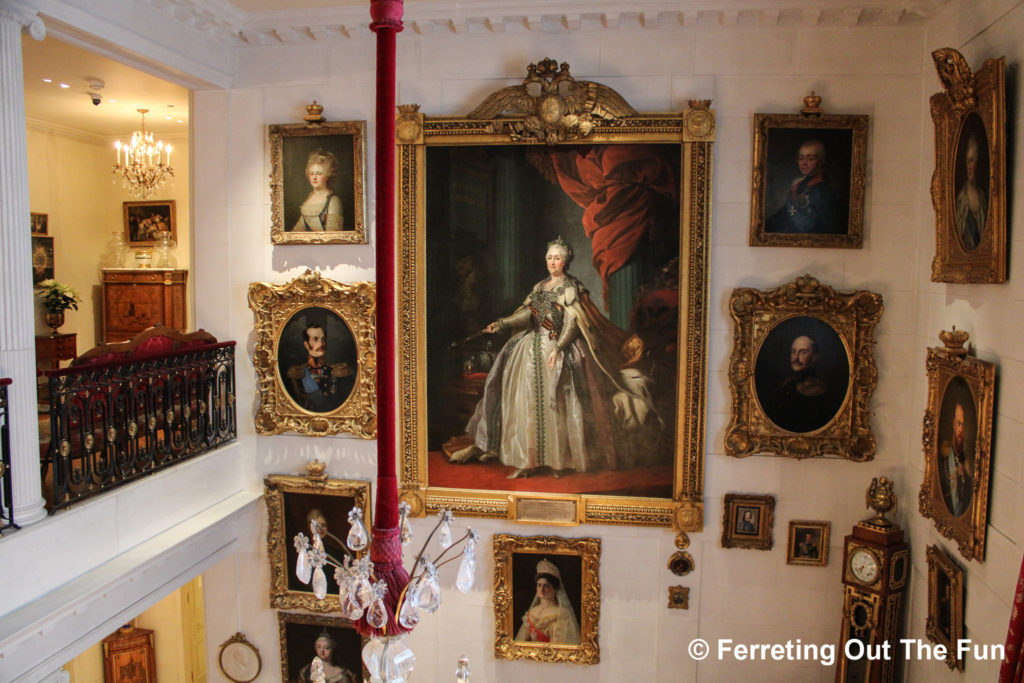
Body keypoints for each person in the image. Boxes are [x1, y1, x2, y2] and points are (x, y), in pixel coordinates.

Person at [449, 238, 656, 478]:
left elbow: (572, 322)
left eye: (557, 258)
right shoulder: (540, 287)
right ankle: (527, 461)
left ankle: (560, 462)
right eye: (549, 257)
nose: (552, 262)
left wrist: (558, 348)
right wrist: (502, 323)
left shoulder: (570, 288)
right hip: (530, 348)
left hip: (560, 347)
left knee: (558, 405)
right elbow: (529, 314)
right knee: (525, 404)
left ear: (565, 261)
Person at [761, 334, 839, 433]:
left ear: (814, 357)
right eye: (793, 352)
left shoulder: (820, 391)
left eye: (803, 352)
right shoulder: (787, 383)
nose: (795, 358)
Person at [766, 139, 842, 234]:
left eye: (810, 159)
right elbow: (786, 215)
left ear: (821, 161)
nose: (804, 163)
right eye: (801, 158)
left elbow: (830, 229)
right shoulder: (798, 186)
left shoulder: (823, 192)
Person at [286, 323, 354, 412]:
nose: (321, 343)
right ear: (306, 344)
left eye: (323, 339)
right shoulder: (297, 374)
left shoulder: (338, 372)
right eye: (315, 339)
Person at [515, 558, 581, 645]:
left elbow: (562, 645)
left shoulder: (561, 613)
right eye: (539, 585)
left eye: (546, 586)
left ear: (555, 589)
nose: (542, 590)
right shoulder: (532, 612)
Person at [292, 149, 344, 232]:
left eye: (319, 173)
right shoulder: (310, 198)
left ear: (328, 175)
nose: (314, 177)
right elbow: (298, 231)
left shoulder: (333, 201)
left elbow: (333, 236)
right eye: (312, 173)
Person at [939, 402, 973, 517]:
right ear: (953, 424)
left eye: (964, 425)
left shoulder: (966, 464)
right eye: (959, 424)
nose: (961, 430)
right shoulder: (943, 459)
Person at [955, 134, 986, 250]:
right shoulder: (961, 198)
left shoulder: (982, 197)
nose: (969, 167)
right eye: (968, 161)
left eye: (972, 160)